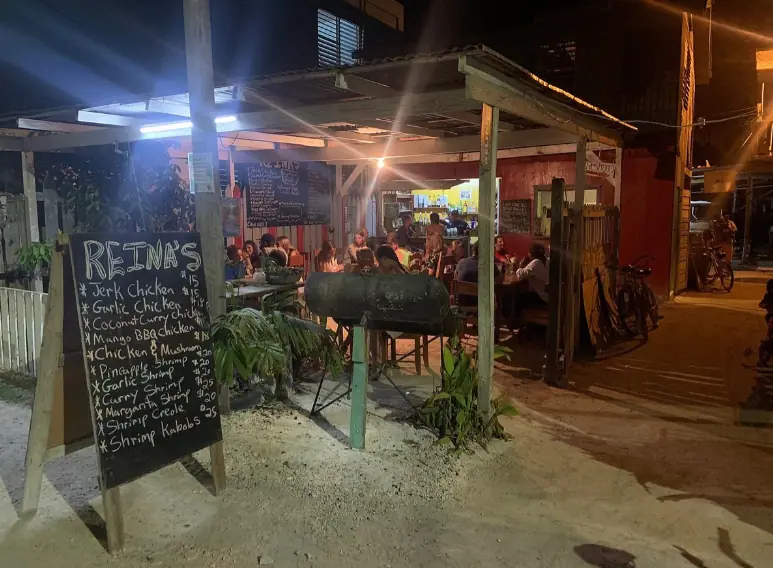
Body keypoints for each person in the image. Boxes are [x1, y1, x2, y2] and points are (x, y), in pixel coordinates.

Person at [513, 243, 549, 313]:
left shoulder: (536, 263)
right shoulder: (547, 260)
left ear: (531, 254)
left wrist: (520, 265)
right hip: (547, 295)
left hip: (541, 297)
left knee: (517, 299)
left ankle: (517, 321)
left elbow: (520, 274)